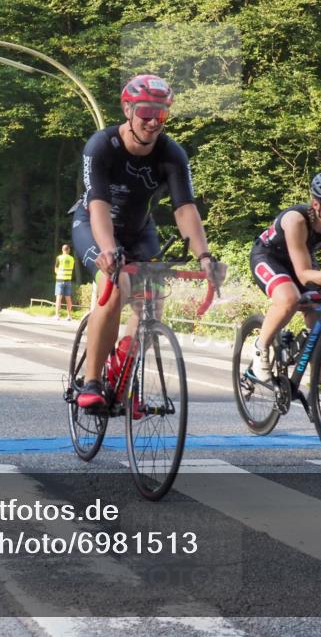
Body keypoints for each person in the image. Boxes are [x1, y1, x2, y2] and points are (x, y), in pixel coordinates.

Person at [71, 74, 226, 409]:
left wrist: (205, 257)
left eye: (162, 115)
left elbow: (185, 208)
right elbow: (98, 203)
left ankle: (123, 366)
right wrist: (109, 250)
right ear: (127, 109)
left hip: (140, 230)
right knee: (117, 286)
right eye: (145, 113)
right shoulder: (102, 145)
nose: (154, 122)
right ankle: (92, 381)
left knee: (152, 303)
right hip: (94, 225)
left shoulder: (172, 154)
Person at [248, 170, 321, 416]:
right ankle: (260, 349)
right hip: (269, 257)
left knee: (320, 320)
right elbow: (303, 274)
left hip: (301, 260)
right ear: (316, 204)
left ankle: (316, 390)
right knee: (289, 298)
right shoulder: (297, 220)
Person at [53, 244, 75, 320]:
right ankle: (69, 316)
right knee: (68, 298)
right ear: (69, 250)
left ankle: (57, 315)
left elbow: (55, 269)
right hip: (68, 280)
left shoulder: (59, 258)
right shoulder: (72, 259)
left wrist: (59, 273)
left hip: (60, 280)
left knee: (58, 298)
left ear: (62, 250)